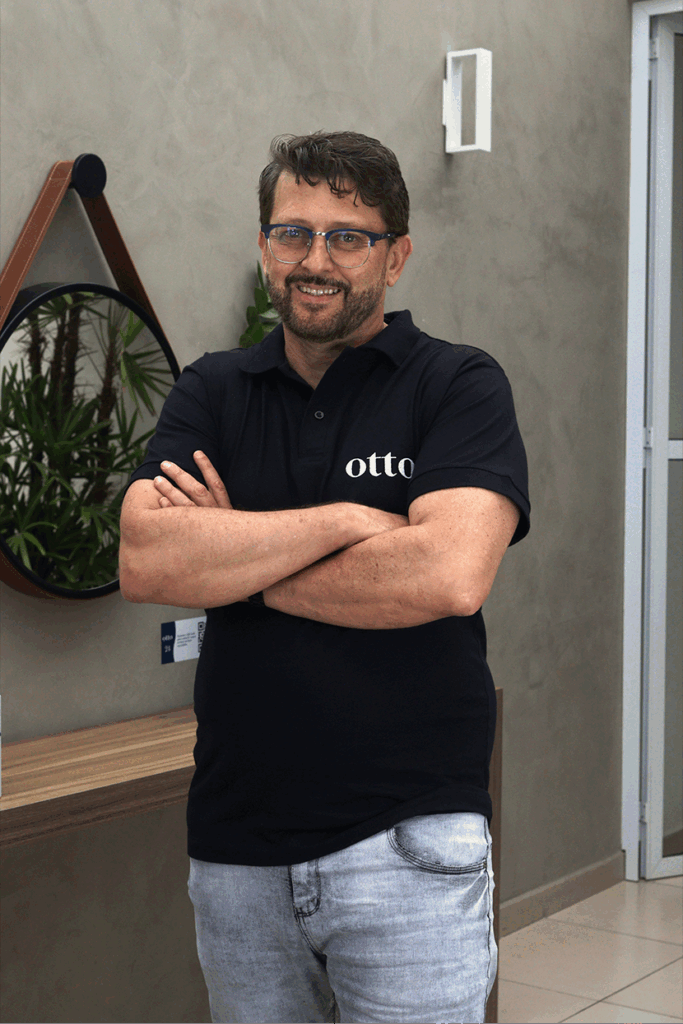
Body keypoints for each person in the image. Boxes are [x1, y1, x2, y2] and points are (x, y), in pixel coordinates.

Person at [119, 130, 531, 1024]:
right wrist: (346, 523)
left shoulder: (455, 385)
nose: (315, 260)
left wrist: (235, 562)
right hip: (237, 847)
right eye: (292, 233)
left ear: (396, 256)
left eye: (348, 236)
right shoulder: (212, 391)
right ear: (264, 245)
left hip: (408, 840)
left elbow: (447, 575)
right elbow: (149, 559)